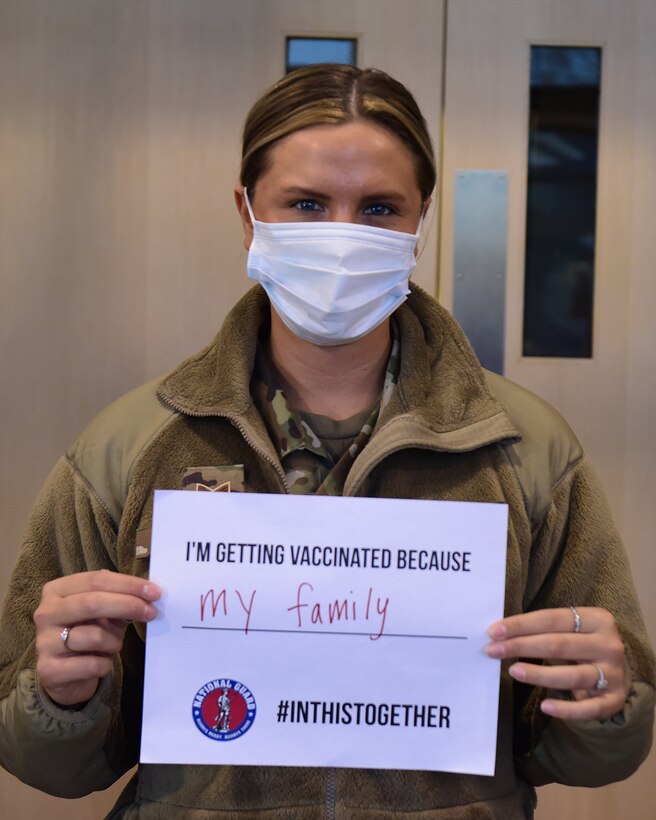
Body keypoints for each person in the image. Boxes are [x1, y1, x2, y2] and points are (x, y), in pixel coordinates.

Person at [0, 63, 653, 819]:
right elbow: (46, 763)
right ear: (249, 213)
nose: (343, 237)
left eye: (379, 208)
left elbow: (580, 753)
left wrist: (607, 700)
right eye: (306, 204)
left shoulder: (525, 450)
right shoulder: (132, 447)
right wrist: (58, 695)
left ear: (421, 221)